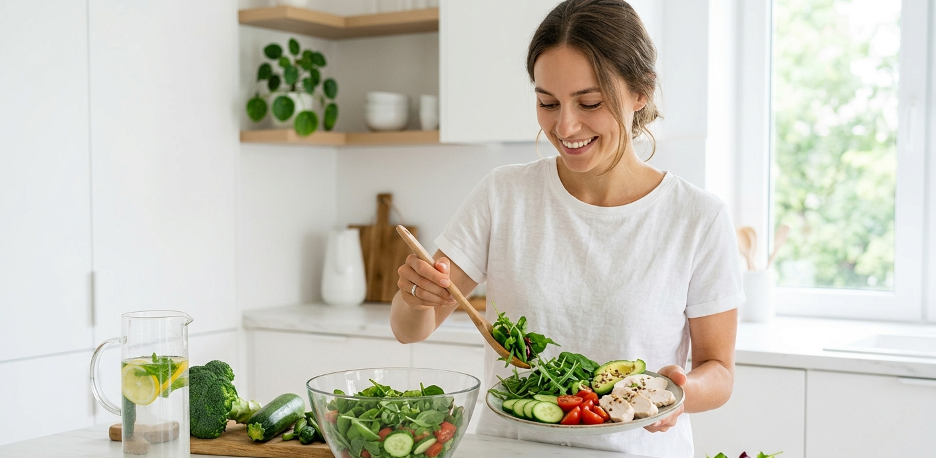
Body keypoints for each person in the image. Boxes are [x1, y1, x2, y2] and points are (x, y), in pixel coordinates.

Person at [389, 0, 742, 456]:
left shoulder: (697, 217)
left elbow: (720, 370)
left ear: (641, 92)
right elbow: (409, 330)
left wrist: (681, 391)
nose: (565, 125)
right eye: (547, 102)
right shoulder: (504, 194)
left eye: (589, 102)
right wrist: (418, 295)